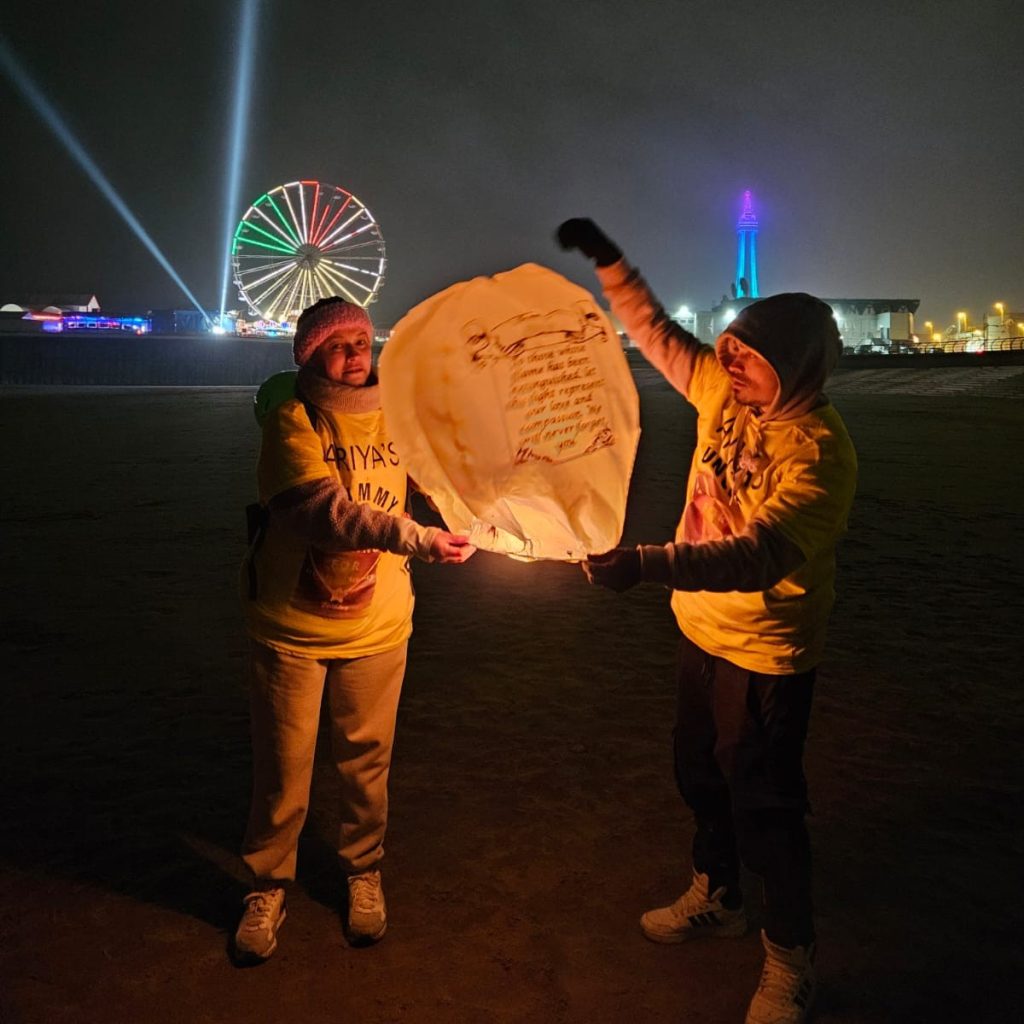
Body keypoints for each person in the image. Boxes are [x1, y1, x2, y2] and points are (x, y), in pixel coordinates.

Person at [558, 218, 857, 1024]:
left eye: (747, 356)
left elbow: (756, 557)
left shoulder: (818, 454)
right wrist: (611, 261)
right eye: (728, 348)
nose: (726, 363)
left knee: (766, 801)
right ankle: (719, 894)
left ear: (791, 368)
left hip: (767, 652)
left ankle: (792, 959)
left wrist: (647, 564)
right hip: (700, 634)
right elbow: (654, 332)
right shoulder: (719, 392)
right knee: (699, 775)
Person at [234, 297, 474, 962]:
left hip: (379, 623)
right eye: (337, 345)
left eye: (362, 340)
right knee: (283, 771)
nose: (355, 354)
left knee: (367, 764)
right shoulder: (291, 414)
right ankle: (266, 885)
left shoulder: (395, 410)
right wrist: (416, 537)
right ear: (307, 355)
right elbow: (318, 510)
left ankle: (363, 873)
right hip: (290, 626)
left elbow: (432, 479)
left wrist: (476, 508)